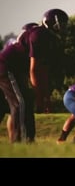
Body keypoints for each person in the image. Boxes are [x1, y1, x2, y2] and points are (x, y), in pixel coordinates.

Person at [0, 9, 68, 143]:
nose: (64, 27)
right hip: (7, 67)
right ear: (51, 22)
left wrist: (46, 97)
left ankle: (29, 140)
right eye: (62, 24)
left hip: (15, 70)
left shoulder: (49, 39)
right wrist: (39, 97)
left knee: (17, 103)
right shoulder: (40, 34)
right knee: (21, 103)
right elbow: (34, 69)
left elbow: (43, 71)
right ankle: (20, 141)